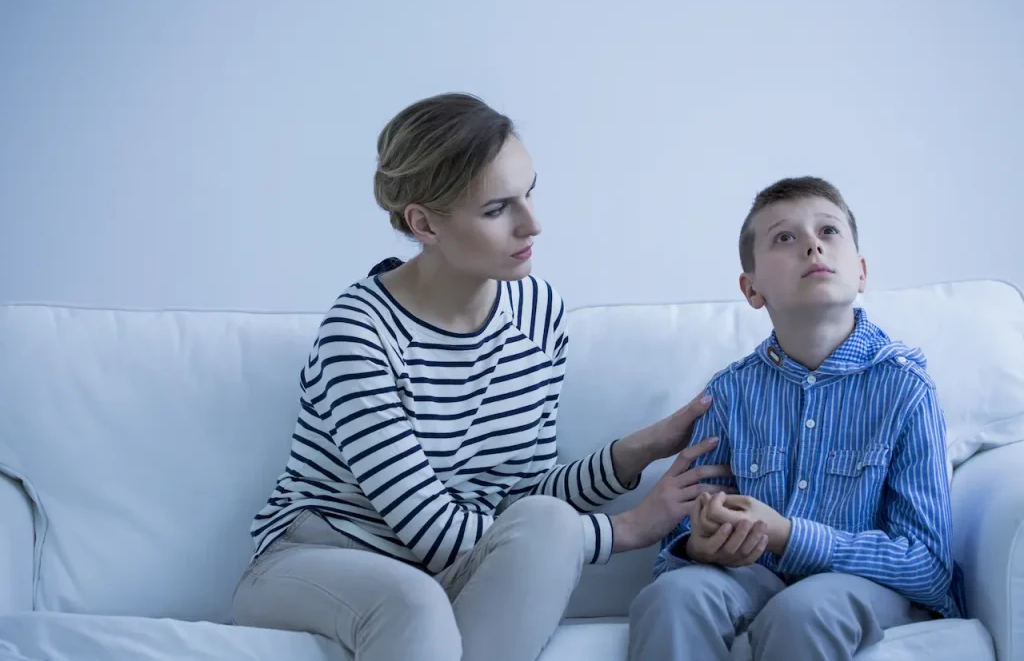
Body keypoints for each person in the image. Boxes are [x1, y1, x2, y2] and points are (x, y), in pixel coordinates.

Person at [230, 92, 769, 661]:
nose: (532, 224)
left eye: (530, 191)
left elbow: (523, 500)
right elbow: (430, 532)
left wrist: (633, 453)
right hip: (316, 559)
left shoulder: (539, 315)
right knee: (413, 603)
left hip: (453, 573)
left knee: (536, 523)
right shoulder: (359, 334)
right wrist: (626, 529)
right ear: (424, 223)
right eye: (496, 209)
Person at [627, 177, 967, 661]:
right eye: (785, 238)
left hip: (862, 585)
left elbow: (927, 566)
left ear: (861, 271)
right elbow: (676, 549)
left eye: (829, 231)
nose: (812, 244)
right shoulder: (728, 395)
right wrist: (701, 546)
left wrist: (788, 535)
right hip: (750, 578)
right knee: (671, 597)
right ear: (752, 289)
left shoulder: (906, 390)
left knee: (804, 609)